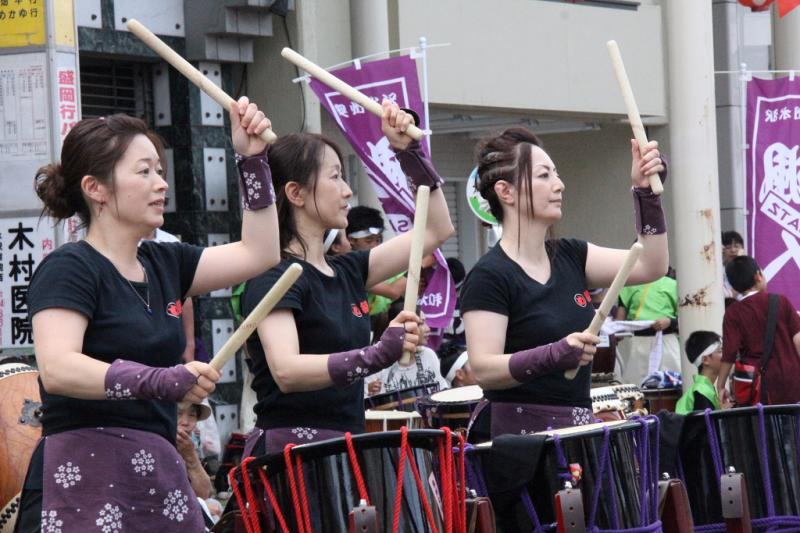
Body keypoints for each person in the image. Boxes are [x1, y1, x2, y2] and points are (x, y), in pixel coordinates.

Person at [18, 97, 279, 532]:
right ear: (95, 188)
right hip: (84, 472)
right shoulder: (70, 267)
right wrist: (160, 379)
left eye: (160, 170)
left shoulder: (165, 262)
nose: (161, 184)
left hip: (156, 468)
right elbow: (59, 368)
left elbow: (261, 252)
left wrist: (252, 160)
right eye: (144, 172)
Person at [241, 100, 454, 455]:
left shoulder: (349, 270)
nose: (347, 191)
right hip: (290, 452)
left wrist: (409, 152)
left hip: (346, 444)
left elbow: (435, 229)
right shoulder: (273, 274)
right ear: (296, 193)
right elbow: (287, 371)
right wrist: (378, 352)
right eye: (335, 176)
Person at [461, 129, 668, 437]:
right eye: (544, 175)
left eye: (555, 174)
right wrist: (555, 354)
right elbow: (483, 368)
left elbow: (651, 265)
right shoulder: (489, 275)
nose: (559, 185)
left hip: (574, 432)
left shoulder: (571, 255)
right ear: (506, 192)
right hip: (517, 443)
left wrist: (645, 193)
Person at [717, 255, 800, 405]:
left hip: (758, 388)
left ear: (734, 287)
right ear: (758, 276)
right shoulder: (781, 301)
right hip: (792, 382)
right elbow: (798, 341)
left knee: (763, 427)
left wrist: (721, 385)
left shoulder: (733, 313)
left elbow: (729, 353)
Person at [347, 205, 407, 337]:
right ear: (351, 240)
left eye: (379, 239)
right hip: (351, 326)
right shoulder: (347, 266)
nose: (376, 245)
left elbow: (402, 285)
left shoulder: (379, 261)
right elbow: (393, 291)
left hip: (374, 326)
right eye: (369, 240)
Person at [615, 270, 680, 385]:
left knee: (673, 383)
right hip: (638, 344)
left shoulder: (674, 285)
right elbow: (619, 324)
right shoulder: (629, 286)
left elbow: (686, 320)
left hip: (667, 341)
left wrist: (670, 322)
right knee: (636, 386)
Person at [365, 308, 449, 395]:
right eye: (420, 324)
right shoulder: (376, 361)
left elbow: (442, 391)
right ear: (402, 328)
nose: (428, 329)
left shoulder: (428, 355)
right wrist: (369, 392)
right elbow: (367, 401)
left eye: (425, 323)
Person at [147, 227, 197, 362]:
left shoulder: (171, 242)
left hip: (169, 339)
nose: (160, 205)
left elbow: (184, 298)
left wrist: (190, 344)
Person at [675, 331, 731, 414]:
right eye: (720, 351)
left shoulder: (703, 389)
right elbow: (705, 426)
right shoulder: (701, 392)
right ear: (705, 360)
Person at [177, 401, 213, 500]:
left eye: (192, 415)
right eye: (178, 413)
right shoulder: (156, 445)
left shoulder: (192, 445)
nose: (185, 422)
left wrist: (190, 455)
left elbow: (205, 493)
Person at [721, 230, 745, 301]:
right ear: (722, 250)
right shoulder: (718, 271)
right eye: (728, 247)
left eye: (736, 246)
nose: (733, 250)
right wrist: (731, 293)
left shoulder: (749, 269)